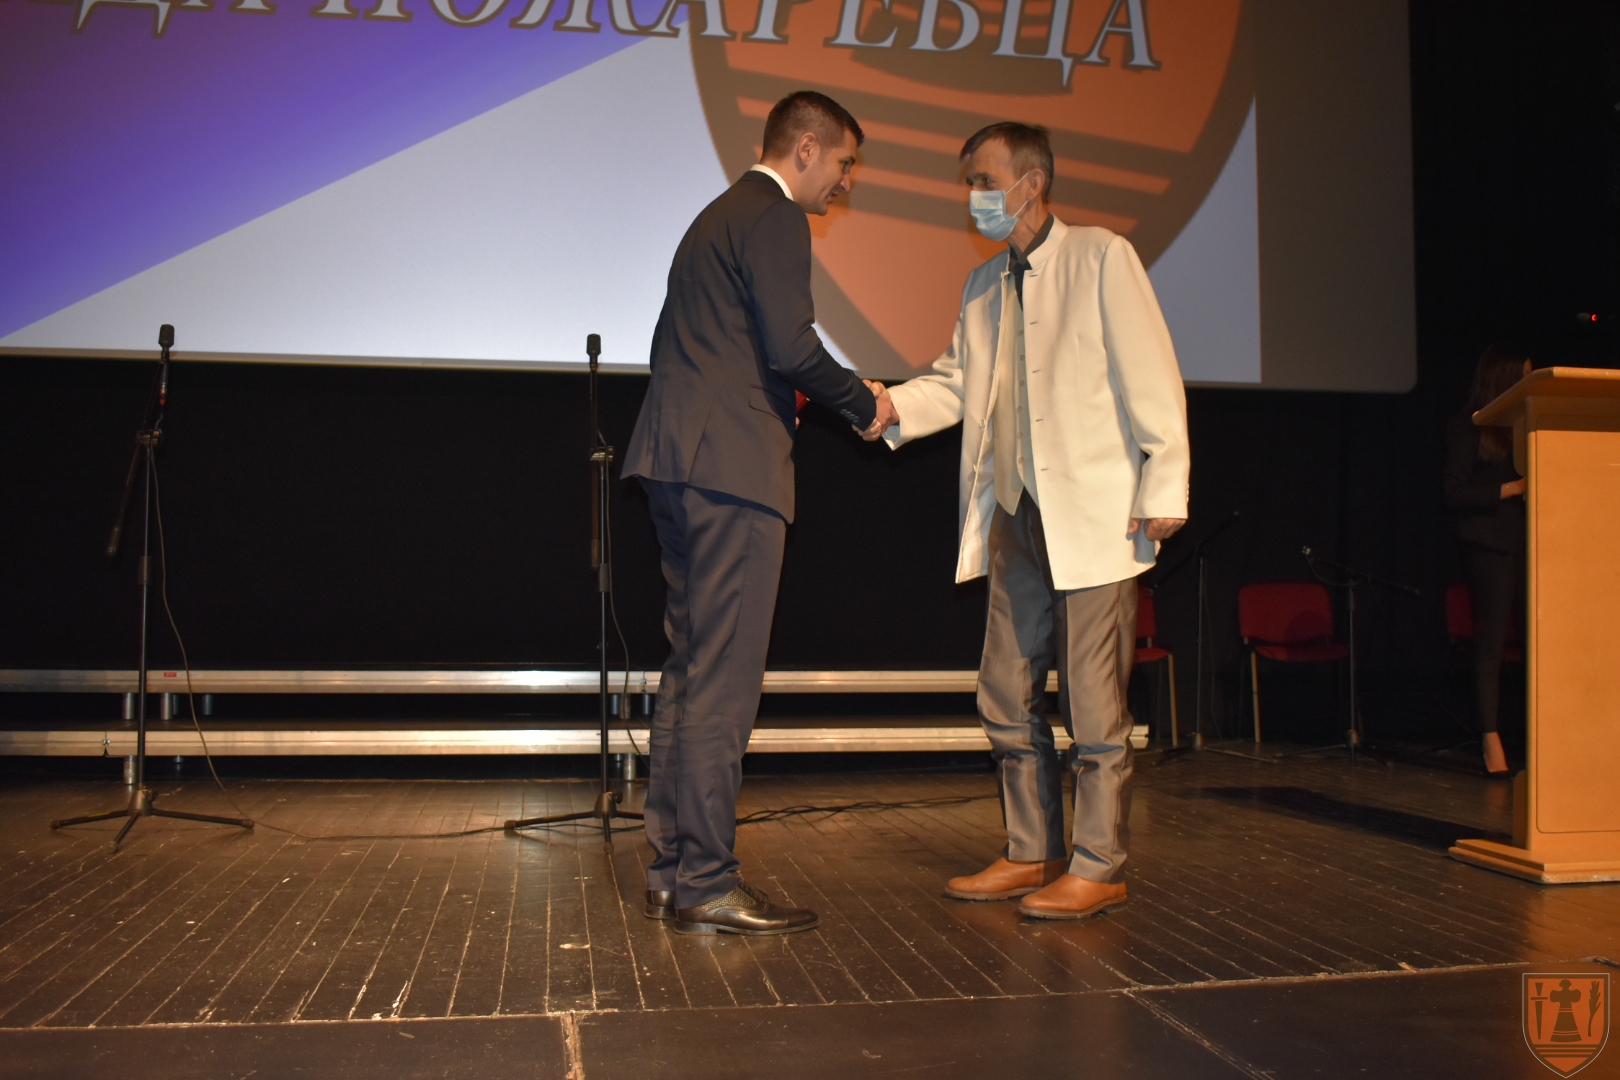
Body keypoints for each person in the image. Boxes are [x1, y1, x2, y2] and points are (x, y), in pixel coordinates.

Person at [865, 122, 1189, 920]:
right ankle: (1031, 851)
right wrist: (890, 406)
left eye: (984, 180)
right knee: (1005, 693)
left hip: (1095, 514)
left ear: (1032, 182)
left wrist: (1165, 482)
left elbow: (1152, 373)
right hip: (1015, 514)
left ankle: (1099, 865)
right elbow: (955, 382)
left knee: (1093, 705)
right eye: (970, 183)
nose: (974, 195)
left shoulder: (1101, 257)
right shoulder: (984, 284)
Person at [621, 91, 897, 935]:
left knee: (690, 671)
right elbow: (791, 346)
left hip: (675, 461)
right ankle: (707, 880)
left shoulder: (713, 217)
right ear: (804, 147)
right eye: (843, 163)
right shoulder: (776, 216)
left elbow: (704, 348)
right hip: (732, 472)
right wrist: (866, 403)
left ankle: (672, 870)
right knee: (724, 681)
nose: (845, 182)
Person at [1442, 345, 1530, 775]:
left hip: (1531, 542)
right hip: (1488, 544)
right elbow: (1453, 492)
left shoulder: (1526, 425)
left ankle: (1540, 734)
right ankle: (1490, 738)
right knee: (1491, 643)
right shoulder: (1471, 424)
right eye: (1525, 376)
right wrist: (1511, 489)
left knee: (1538, 642)